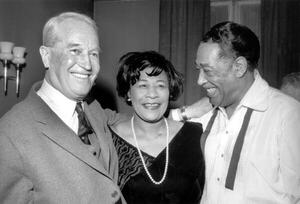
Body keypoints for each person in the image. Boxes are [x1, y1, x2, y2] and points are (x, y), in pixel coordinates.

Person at [0, 12, 125, 204]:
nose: (87, 64)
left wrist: (184, 113)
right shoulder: (9, 134)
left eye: (93, 54)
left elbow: (131, 124)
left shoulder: (92, 108)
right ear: (46, 56)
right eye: (75, 51)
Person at [173, 21, 300, 203]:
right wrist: (187, 112)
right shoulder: (208, 113)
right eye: (198, 70)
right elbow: (154, 131)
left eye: (207, 71)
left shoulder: (288, 115)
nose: (200, 81)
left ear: (239, 67)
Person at [109, 51, 205, 204]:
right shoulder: (109, 141)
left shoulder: (194, 136)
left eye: (160, 85)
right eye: (143, 85)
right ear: (128, 93)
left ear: (169, 91)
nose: (152, 94)